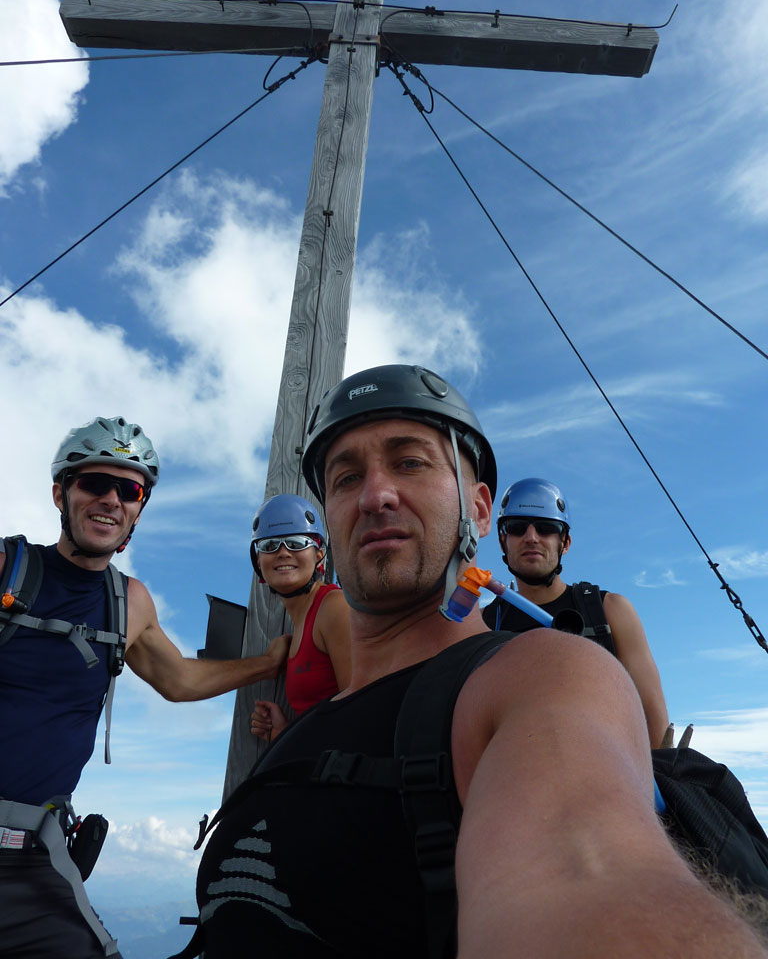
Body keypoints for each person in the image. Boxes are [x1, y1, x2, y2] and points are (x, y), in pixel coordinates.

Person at [190, 366, 767, 959]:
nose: (373, 495)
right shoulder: (311, 728)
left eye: (410, 462)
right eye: (345, 478)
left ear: (479, 508)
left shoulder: (538, 675)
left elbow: (590, 876)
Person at [0, 416, 291, 959]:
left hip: (34, 862)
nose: (111, 499)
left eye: (129, 490)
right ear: (61, 493)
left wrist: (265, 663)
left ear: (138, 509)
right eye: (94, 483)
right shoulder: (8, 568)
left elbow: (177, 680)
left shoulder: (128, 601)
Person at [483, 477, 669, 748]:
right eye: (517, 528)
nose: (531, 537)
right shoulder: (484, 624)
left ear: (565, 542)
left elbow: (654, 722)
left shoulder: (610, 611)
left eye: (546, 528)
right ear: (503, 541)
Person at [248, 493, 350, 741]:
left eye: (296, 542)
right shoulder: (299, 628)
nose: (283, 553)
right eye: (269, 546)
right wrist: (283, 735)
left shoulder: (334, 608)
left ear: (319, 555)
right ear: (258, 562)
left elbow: (359, 716)